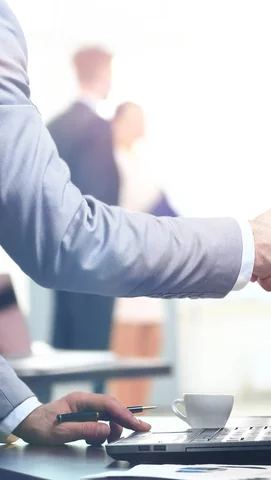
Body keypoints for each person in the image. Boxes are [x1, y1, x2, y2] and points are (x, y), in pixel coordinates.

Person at [0, 0, 271, 445]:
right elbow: (64, 232)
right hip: (110, 278)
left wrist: (18, 408)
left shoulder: (85, 135)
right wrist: (253, 244)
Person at [47, 47, 120, 395]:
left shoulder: (54, 126)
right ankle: (93, 427)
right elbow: (99, 199)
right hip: (94, 257)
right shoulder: (97, 128)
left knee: (63, 345)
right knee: (94, 353)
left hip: (57, 256)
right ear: (103, 72)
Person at [109, 102, 175, 406]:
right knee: (126, 354)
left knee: (148, 353)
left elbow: (161, 205)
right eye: (136, 119)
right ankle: (122, 417)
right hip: (124, 264)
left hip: (148, 265)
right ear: (119, 122)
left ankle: (138, 417)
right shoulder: (111, 162)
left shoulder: (140, 161)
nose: (142, 126)